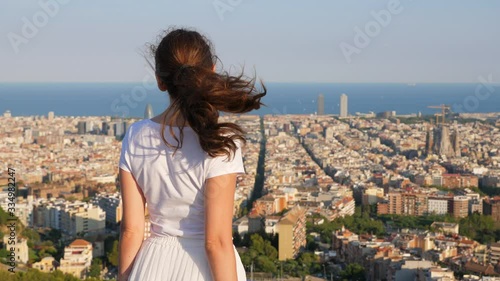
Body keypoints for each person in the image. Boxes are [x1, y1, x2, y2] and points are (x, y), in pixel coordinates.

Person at [117, 27, 266, 281]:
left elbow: (131, 229)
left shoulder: (135, 135)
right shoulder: (220, 141)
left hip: (152, 266)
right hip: (202, 269)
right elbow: (216, 242)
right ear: (211, 73)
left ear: (160, 80)